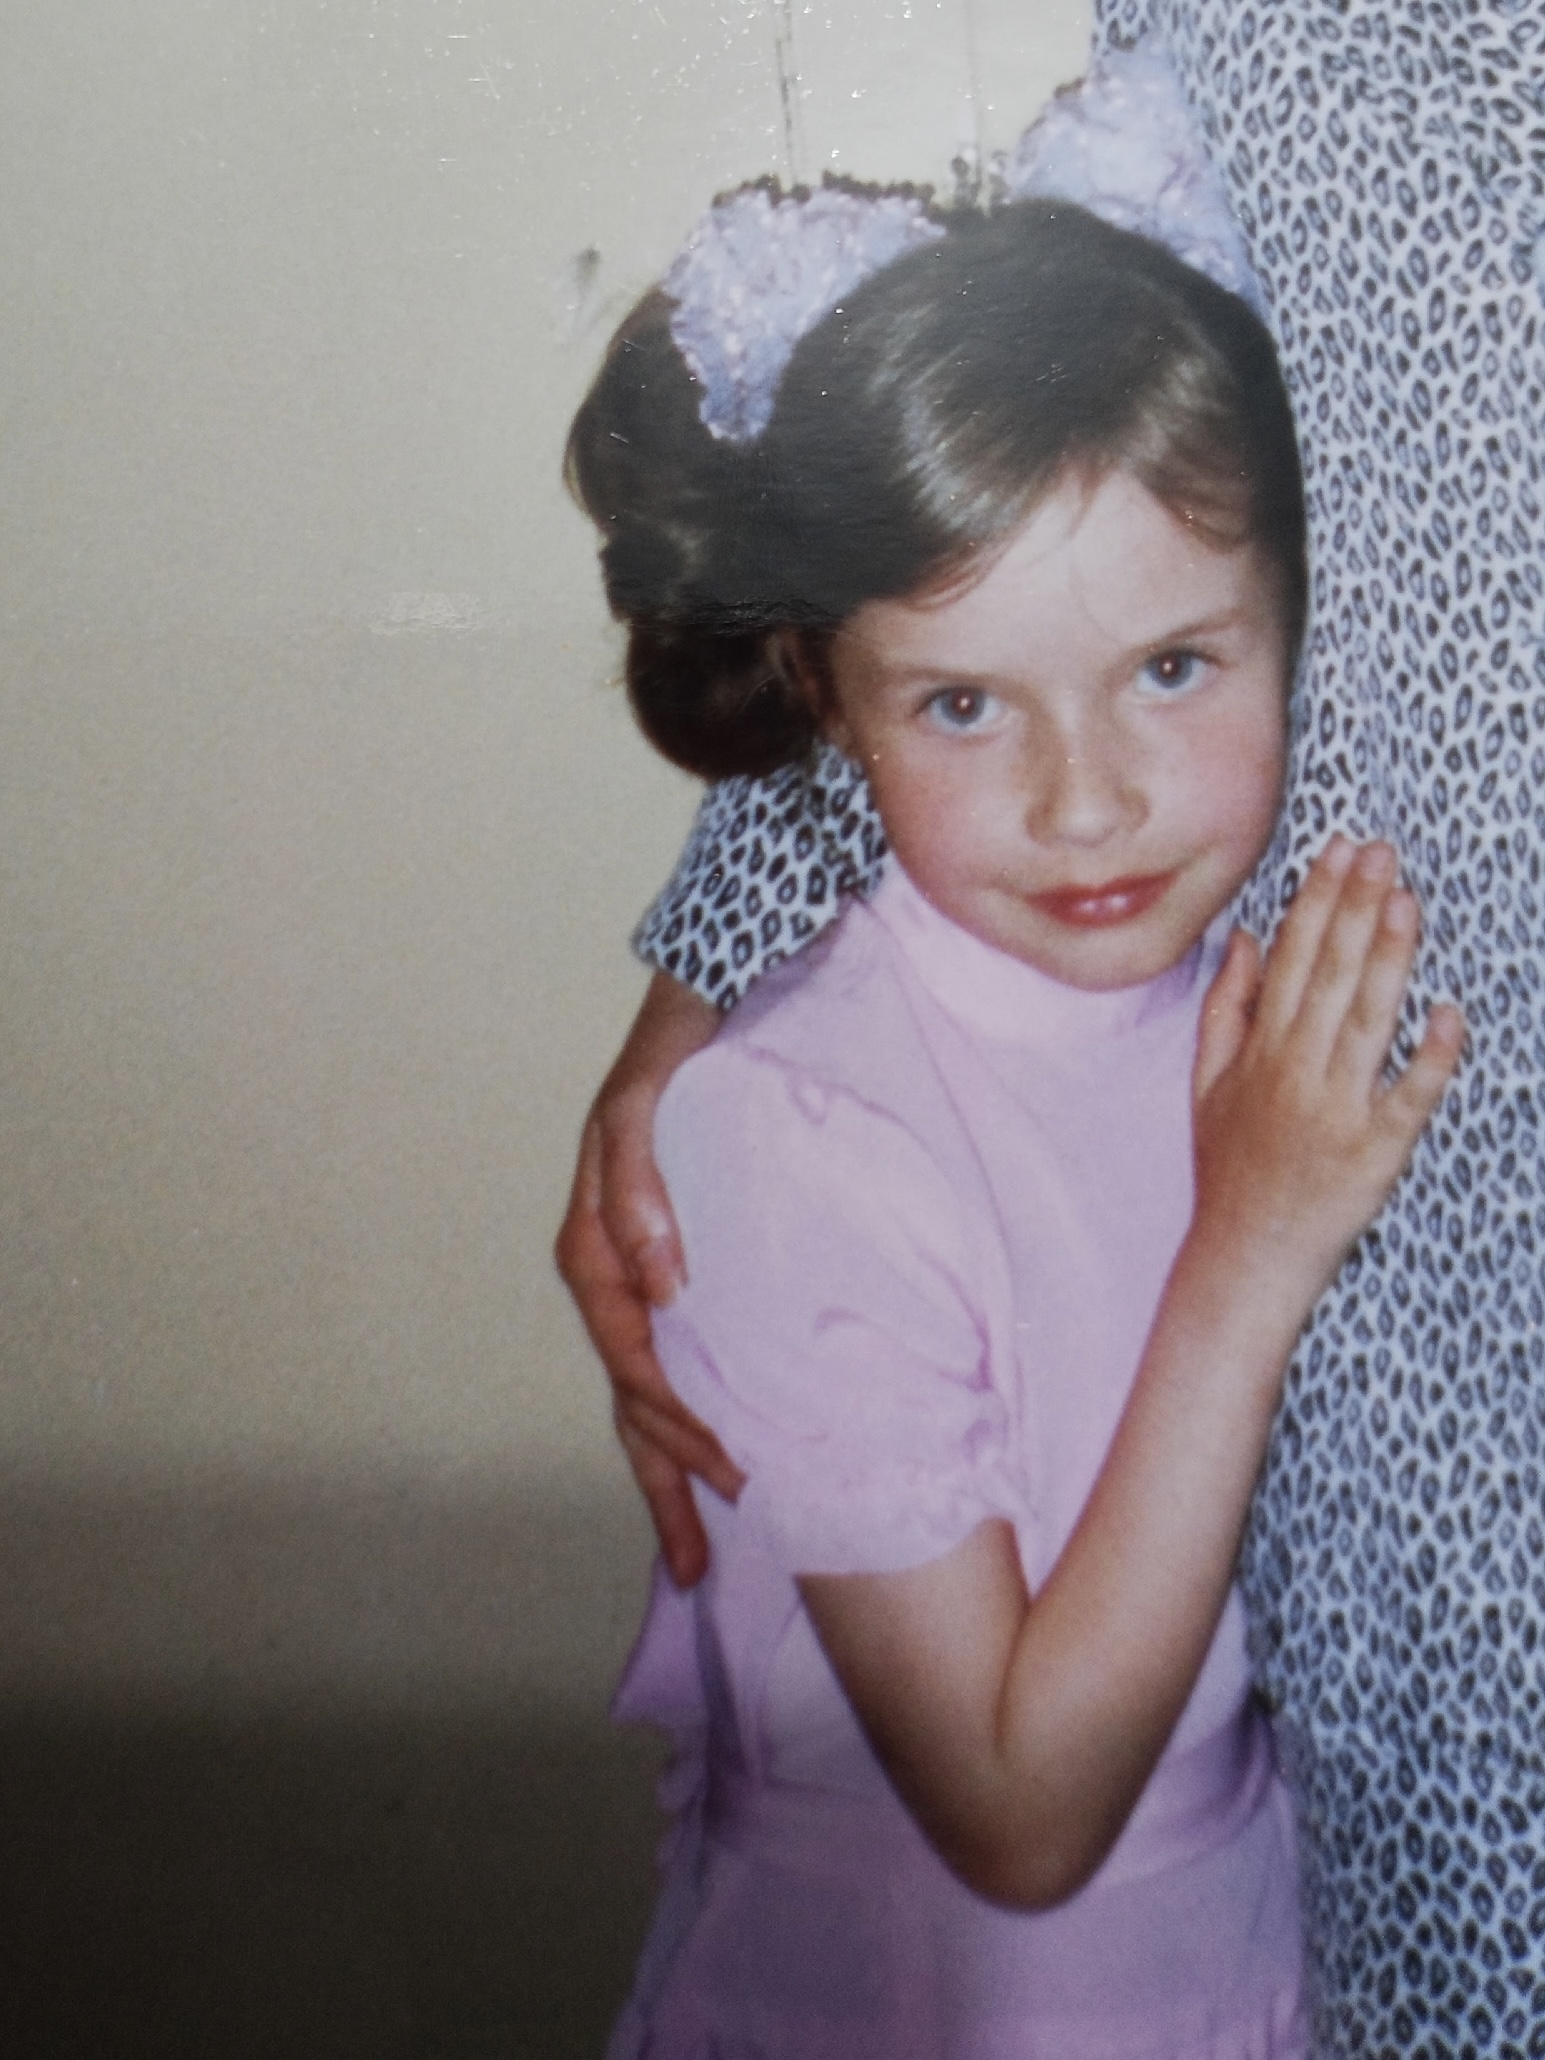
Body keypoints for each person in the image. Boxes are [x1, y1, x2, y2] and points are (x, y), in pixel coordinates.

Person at [562, 18, 1545, 2051]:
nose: (1087, 805)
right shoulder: (836, 1121)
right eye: (961, 712)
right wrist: (703, 1013)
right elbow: (992, 540)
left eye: (1175, 671)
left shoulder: (1184, 996)